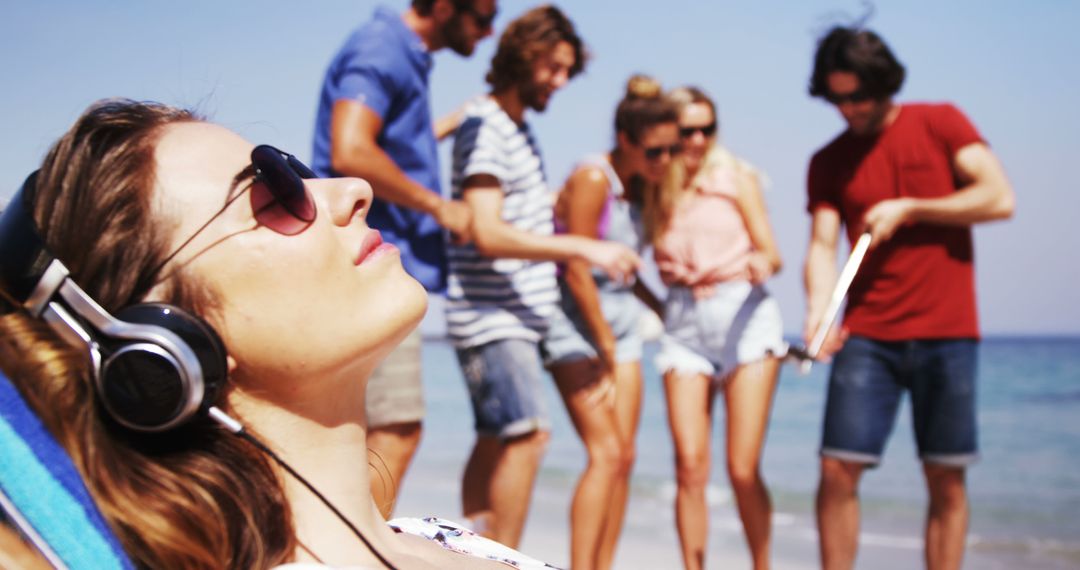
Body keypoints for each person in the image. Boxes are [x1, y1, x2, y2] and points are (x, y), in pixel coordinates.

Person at [0, 99, 557, 569]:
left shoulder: (437, 537)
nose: (354, 189)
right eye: (274, 195)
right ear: (162, 349)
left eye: (299, 173)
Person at [803, 26, 1015, 570]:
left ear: (884, 82)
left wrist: (911, 207)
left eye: (859, 96)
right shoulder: (828, 160)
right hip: (868, 333)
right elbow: (823, 246)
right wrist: (818, 314)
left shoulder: (940, 121)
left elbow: (998, 197)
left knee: (945, 474)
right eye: (837, 98)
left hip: (949, 331)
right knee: (836, 469)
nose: (848, 108)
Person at [444, 5, 641, 551]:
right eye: (553, 68)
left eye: (566, 71)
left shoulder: (513, 128)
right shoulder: (486, 126)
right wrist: (585, 246)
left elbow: (511, 214)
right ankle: (494, 560)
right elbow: (486, 230)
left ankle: (470, 552)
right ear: (525, 56)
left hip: (536, 310)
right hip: (493, 313)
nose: (560, 82)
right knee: (526, 434)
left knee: (586, 441)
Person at [311, 0, 497, 516]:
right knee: (397, 427)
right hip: (370, 264)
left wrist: (441, 130)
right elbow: (349, 149)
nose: (489, 30)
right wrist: (439, 206)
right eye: (483, 14)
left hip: (372, 264)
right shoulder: (384, 46)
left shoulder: (401, 53)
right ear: (442, 6)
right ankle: (355, 551)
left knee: (365, 432)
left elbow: (383, 144)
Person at [645, 86, 785, 570]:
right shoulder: (654, 185)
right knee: (689, 466)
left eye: (708, 128)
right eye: (688, 130)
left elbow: (772, 251)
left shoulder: (735, 179)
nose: (698, 139)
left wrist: (762, 263)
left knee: (742, 468)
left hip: (742, 316)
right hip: (682, 321)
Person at [547, 74, 673, 570]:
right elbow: (577, 267)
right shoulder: (594, 177)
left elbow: (621, 268)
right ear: (626, 140)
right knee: (604, 454)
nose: (665, 161)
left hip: (622, 329)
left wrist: (658, 306)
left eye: (671, 150)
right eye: (656, 151)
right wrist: (603, 346)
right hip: (578, 327)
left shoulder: (639, 187)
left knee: (625, 457)